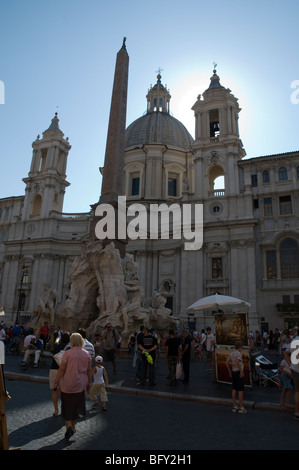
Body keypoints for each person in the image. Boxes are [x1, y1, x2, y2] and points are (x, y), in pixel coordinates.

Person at [53, 332, 92, 440]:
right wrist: (89, 382)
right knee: (75, 406)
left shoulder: (68, 353)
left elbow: (62, 369)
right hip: (80, 385)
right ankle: (73, 427)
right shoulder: (86, 354)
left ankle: (68, 426)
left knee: (67, 406)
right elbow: (89, 370)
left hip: (67, 384)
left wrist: (56, 381)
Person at [49, 331, 70, 416]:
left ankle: (56, 410)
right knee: (63, 392)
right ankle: (64, 409)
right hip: (64, 371)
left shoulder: (56, 346)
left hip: (54, 369)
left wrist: (57, 337)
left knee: (54, 391)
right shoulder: (69, 349)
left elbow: (56, 342)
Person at [226, 341, 247, 413]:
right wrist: (241, 371)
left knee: (234, 389)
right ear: (240, 347)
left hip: (233, 371)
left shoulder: (232, 353)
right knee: (241, 390)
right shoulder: (239, 353)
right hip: (238, 372)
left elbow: (226, 362)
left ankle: (235, 406)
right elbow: (238, 362)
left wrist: (229, 371)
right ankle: (241, 407)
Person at [284, 336, 299, 421]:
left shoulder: (294, 340)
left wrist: (289, 364)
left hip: (294, 368)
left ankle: (297, 411)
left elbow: (285, 352)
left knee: (297, 391)